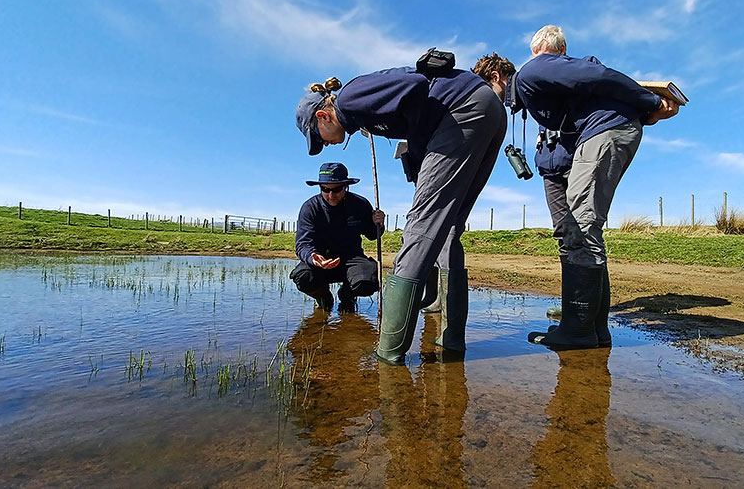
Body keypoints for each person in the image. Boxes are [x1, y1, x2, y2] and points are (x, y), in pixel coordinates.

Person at [295, 50, 507, 364]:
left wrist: (420, 143)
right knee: (448, 228)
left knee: (420, 225)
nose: (323, 143)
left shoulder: (350, 98)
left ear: (323, 116)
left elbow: (416, 82)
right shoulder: (355, 114)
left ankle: (390, 350)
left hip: (461, 112)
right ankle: (452, 340)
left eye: (317, 136)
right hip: (486, 108)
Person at [506, 25, 679, 349]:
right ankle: (592, 328)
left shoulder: (539, 66)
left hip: (602, 135)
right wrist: (647, 112)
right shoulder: (556, 86)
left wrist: (651, 101)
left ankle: (578, 330)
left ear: (543, 48)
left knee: (583, 227)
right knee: (581, 230)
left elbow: (600, 76)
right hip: (596, 139)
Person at [291, 162, 385, 312]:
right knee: (303, 277)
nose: (330, 195)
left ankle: (347, 295)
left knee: (370, 280)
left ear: (346, 186)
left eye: (336, 190)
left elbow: (373, 235)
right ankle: (323, 297)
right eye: (325, 189)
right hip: (321, 261)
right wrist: (312, 257)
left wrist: (378, 224)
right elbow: (302, 244)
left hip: (351, 259)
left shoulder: (360, 204)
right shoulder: (310, 208)